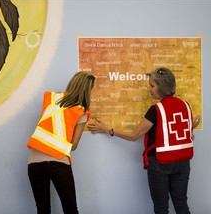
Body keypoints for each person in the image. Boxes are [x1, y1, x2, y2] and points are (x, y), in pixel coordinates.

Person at [87, 67, 201, 214]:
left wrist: (108, 129)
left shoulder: (156, 110)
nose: (149, 89)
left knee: (161, 207)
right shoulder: (185, 105)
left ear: (163, 86)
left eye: (152, 86)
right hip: (183, 163)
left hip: (161, 163)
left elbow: (134, 135)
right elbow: (188, 135)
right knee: (181, 205)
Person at [27, 72, 95, 214]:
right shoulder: (81, 110)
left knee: (43, 210)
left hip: (34, 162)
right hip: (58, 162)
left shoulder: (51, 98)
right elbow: (73, 145)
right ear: (87, 90)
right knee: (70, 209)